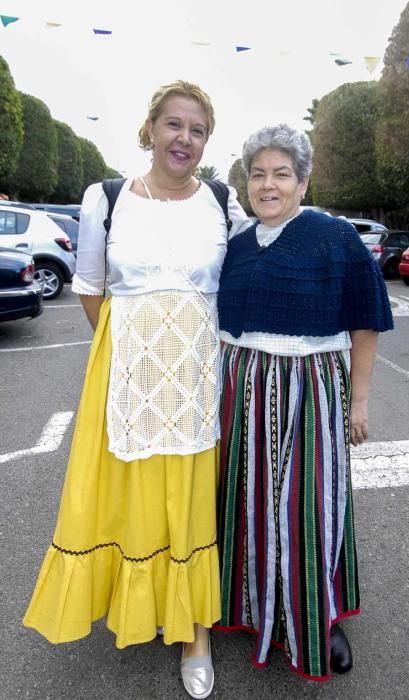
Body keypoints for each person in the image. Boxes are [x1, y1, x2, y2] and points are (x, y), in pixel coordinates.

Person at [23, 80, 249, 700]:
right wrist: (129, 355)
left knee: (191, 500)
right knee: (133, 499)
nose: (185, 139)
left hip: (200, 378)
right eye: (174, 125)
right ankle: (138, 603)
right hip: (126, 374)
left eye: (197, 130)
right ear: (150, 128)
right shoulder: (108, 198)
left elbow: (242, 283)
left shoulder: (224, 204)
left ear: (207, 142)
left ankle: (194, 634)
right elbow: (90, 286)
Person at [215, 124, 394, 681]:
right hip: (241, 386)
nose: (268, 185)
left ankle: (320, 614)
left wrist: (358, 403)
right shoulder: (238, 243)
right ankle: (248, 603)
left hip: (310, 389)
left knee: (308, 503)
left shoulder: (332, 236)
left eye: (281, 174)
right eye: (258, 175)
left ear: (303, 181)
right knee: (245, 500)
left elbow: (367, 320)